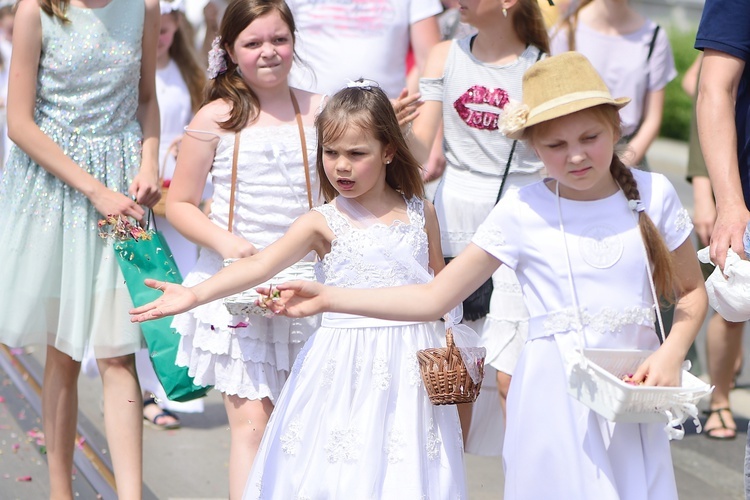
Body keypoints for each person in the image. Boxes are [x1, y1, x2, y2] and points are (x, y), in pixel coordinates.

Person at [268, 53, 708, 499]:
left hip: (632, 392)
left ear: (616, 128)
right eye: (555, 145)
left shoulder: (656, 194)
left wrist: (672, 351)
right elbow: (434, 297)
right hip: (551, 392)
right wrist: (328, 298)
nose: (575, 155)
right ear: (534, 147)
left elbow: (691, 292)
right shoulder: (522, 209)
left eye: (590, 137)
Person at [130, 81, 466, 498]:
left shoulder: (421, 212)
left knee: (403, 473)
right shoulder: (321, 221)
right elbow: (260, 264)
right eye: (330, 152)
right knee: (344, 473)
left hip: (411, 368)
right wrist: (195, 294)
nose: (341, 166)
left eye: (356, 153)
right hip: (344, 365)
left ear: (388, 151)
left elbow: (439, 289)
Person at [160, 0, 324, 496]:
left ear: (294, 41)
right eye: (253, 43)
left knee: (304, 426)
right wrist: (225, 241)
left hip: (309, 285)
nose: (268, 52)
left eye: (279, 40)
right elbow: (181, 203)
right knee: (252, 425)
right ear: (229, 51)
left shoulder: (319, 109)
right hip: (241, 286)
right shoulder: (216, 117)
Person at [0, 0, 161, 497]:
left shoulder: (145, 6)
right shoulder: (35, 11)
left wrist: (149, 161)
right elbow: (19, 123)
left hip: (123, 187)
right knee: (62, 350)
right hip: (56, 189)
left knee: (120, 350)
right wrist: (94, 190)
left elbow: (147, 98)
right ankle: (59, 491)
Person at [413, 0, 548, 452]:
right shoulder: (444, 54)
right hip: (454, 217)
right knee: (457, 370)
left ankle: (526, 477)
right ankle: (451, 477)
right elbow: (417, 147)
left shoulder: (542, 67)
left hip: (522, 221)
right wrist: (388, 128)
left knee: (515, 372)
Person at [138, 0, 209, 428]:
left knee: (180, 287)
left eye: (166, 30)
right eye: (155, 31)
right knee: (146, 290)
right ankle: (145, 390)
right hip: (143, 190)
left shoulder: (189, 74)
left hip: (178, 194)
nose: (161, 38)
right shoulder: (136, 72)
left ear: (177, 27)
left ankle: (172, 387)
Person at [683, 51, 741, 440]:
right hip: (735, 189)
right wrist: (706, 195)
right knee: (733, 299)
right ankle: (720, 397)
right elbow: (702, 90)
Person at [551, 0, 676, 168]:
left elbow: (652, 119)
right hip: (575, 153)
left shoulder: (654, 36)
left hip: (630, 153)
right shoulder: (566, 31)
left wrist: (621, 166)